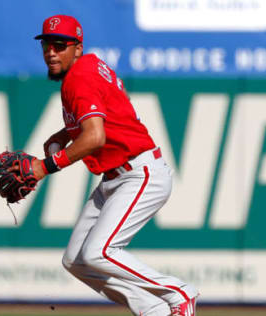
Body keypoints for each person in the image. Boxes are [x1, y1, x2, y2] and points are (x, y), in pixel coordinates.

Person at [29, 14, 198, 316]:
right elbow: (105, 117)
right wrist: (63, 134)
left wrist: (46, 166)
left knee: (99, 252)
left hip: (139, 173)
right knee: (76, 260)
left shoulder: (78, 79)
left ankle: (177, 292)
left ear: (77, 48)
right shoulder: (89, 66)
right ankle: (153, 310)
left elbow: (95, 137)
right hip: (115, 178)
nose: (51, 52)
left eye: (60, 45)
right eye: (46, 45)